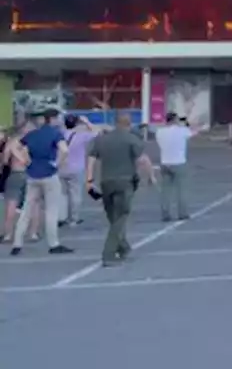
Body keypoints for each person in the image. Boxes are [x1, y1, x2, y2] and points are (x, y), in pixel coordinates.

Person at [85, 113, 156, 266]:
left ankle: (123, 246)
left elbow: (91, 159)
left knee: (112, 217)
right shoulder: (131, 139)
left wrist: (89, 180)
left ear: (114, 122)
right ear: (129, 124)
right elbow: (142, 159)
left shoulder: (102, 139)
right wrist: (151, 176)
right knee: (120, 217)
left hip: (106, 183)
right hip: (125, 183)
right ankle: (108, 254)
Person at [10, 108, 72, 256]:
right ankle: (53, 243)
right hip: (49, 174)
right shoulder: (55, 134)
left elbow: (13, 146)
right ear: (53, 119)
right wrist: (57, 164)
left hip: (32, 174)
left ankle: (17, 243)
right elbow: (65, 150)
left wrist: (24, 160)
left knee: (27, 209)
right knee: (51, 210)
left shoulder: (32, 135)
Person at [155, 112, 204, 221]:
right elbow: (195, 131)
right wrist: (187, 123)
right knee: (181, 190)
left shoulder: (160, 132)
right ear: (175, 120)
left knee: (165, 190)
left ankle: (165, 213)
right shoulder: (182, 131)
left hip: (165, 162)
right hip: (179, 162)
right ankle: (182, 213)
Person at [59, 114, 97, 228]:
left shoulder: (60, 135)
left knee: (62, 194)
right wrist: (87, 122)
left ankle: (62, 217)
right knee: (75, 193)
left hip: (61, 167)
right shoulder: (82, 136)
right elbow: (96, 133)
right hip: (76, 168)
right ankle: (74, 218)